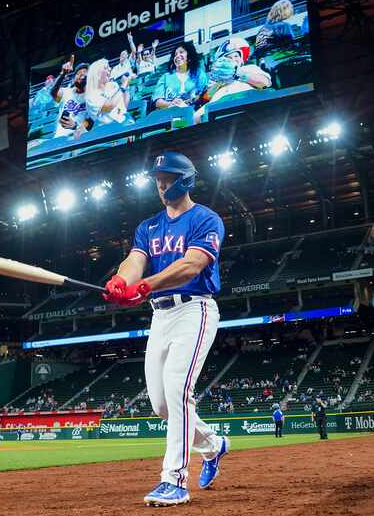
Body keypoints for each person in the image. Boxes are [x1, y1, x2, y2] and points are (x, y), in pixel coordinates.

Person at [102, 151, 228, 507]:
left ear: (185, 179)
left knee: (177, 392)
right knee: (161, 404)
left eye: (168, 177)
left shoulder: (206, 219)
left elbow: (192, 265)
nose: (161, 183)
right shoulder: (149, 225)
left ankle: (174, 480)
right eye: (158, 178)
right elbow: (136, 261)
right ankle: (214, 445)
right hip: (161, 315)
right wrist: (121, 281)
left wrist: (146, 286)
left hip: (195, 309)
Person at [152, 42, 208, 110]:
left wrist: (189, 102)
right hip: (171, 114)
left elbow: (205, 95)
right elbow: (158, 102)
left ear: (189, 57)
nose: (177, 56)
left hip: (194, 112)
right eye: (175, 54)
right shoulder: (165, 77)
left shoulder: (199, 73)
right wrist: (171, 104)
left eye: (181, 52)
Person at [50, 60, 92, 139]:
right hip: (58, 138)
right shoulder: (67, 91)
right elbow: (53, 92)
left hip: (77, 138)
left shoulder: (91, 98)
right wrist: (62, 74)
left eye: (85, 72)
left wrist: (74, 126)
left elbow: (89, 124)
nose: (81, 74)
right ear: (73, 78)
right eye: (78, 73)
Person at [85, 58, 132, 126]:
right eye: (106, 68)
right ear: (97, 74)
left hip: (125, 122)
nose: (110, 69)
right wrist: (123, 85)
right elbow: (109, 106)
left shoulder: (113, 85)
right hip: (108, 131)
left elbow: (124, 106)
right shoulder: (91, 96)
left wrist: (126, 86)